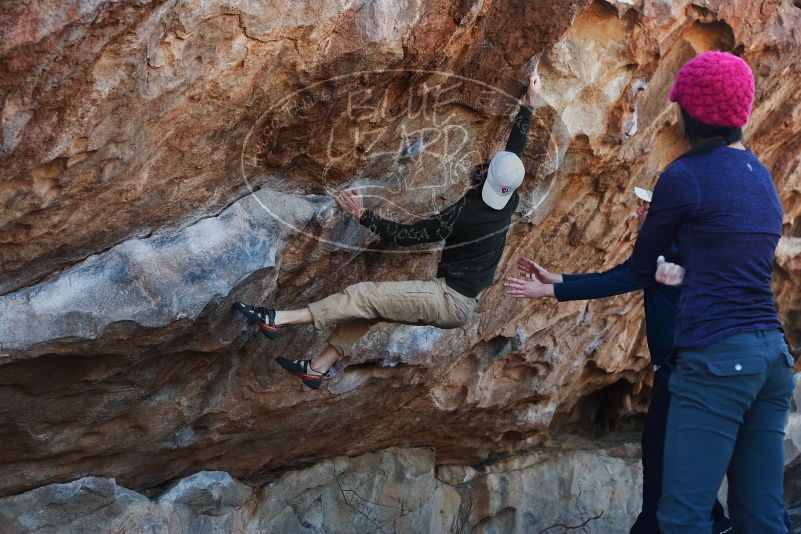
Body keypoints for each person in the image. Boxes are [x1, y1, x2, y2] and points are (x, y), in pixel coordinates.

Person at [233, 73, 544, 390]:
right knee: (373, 309)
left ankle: (277, 320)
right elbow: (513, 153)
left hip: (448, 299)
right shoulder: (509, 197)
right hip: (460, 300)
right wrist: (529, 103)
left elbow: (407, 236)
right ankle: (316, 368)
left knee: (365, 296)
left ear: (487, 174)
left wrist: (362, 215)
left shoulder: (466, 213)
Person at [627, 51, 793, 533]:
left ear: (687, 112)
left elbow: (643, 265)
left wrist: (660, 252)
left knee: (682, 518)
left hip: (716, 360)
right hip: (771, 358)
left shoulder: (684, 175)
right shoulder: (761, 178)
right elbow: (734, 263)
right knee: (762, 516)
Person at [504, 189, 732, 534]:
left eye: (647, 207)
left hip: (683, 374)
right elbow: (617, 274)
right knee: (678, 456)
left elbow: (615, 282)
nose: (638, 211)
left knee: (660, 455)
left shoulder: (664, 255)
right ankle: (715, 522)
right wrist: (557, 279)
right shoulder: (680, 249)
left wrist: (547, 291)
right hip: (698, 372)